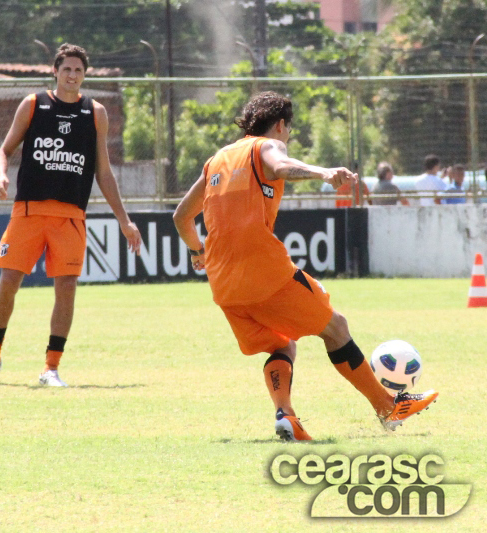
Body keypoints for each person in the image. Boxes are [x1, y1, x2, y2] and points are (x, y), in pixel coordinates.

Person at [172, 91, 438, 441]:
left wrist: (196, 252)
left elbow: (181, 217)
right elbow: (281, 166)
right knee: (336, 327)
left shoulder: (216, 160)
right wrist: (325, 173)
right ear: (280, 125)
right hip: (265, 274)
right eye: (289, 131)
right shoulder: (266, 146)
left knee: (282, 345)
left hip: (223, 285)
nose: (287, 138)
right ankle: (388, 408)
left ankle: (286, 415)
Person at [0, 44, 142, 387]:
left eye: (78, 70)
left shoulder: (96, 112)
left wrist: (125, 219)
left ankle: (51, 368)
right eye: (67, 69)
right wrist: (0, 175)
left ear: (84, 75)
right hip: (28, 212)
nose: (72, 75)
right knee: (8, 284)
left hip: (71, 216)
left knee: (66, 289)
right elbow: (4, 149)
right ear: (55, 72)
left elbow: (104, 172)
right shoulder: (34, 104)